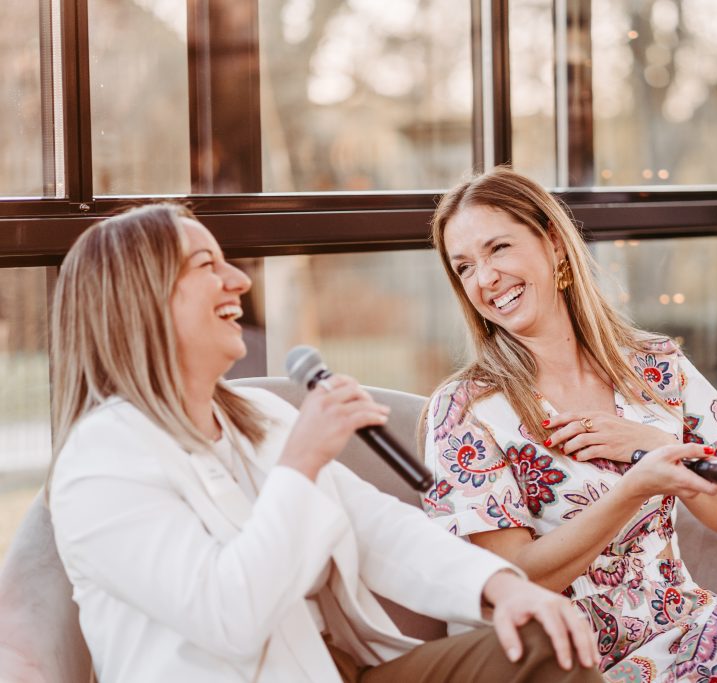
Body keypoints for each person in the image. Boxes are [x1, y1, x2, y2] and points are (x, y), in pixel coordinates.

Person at [46, 203, 602, 683]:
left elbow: (378, 528)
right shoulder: (100, 465)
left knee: (550, 639)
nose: (238, 280)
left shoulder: (256, 415)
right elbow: (229, 618)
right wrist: (301, 462)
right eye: (206, 266)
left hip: (339, 667)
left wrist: (504, 587)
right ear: (141, 299)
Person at [421, 167, 717, 682]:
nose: (485, 279)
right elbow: (509, 579)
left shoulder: (655, 367)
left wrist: (655, 445)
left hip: (685, 637)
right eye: (464, 267)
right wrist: (632, 489)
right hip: (573, 665)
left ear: (555, 244)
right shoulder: (466, 409)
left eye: (499, 249)